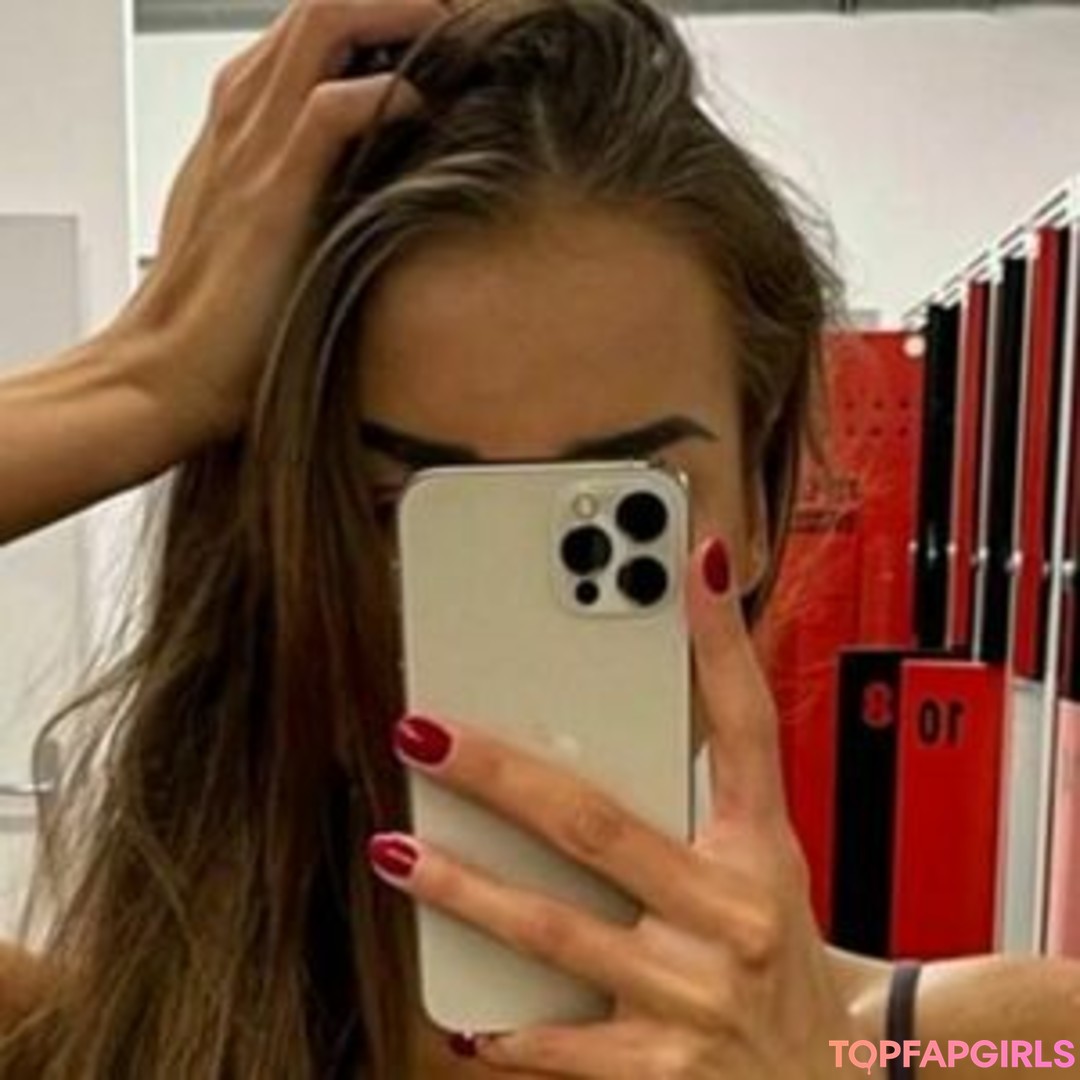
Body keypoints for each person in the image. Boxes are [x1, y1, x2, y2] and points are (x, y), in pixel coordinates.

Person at [0, 1, 1077, 1077]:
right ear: (276, 540)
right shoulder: (102, 1043)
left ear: (754, 510)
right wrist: (135, 381)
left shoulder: (1010, 1045)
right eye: (401, 511)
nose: (504, 620)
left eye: (631, 505)